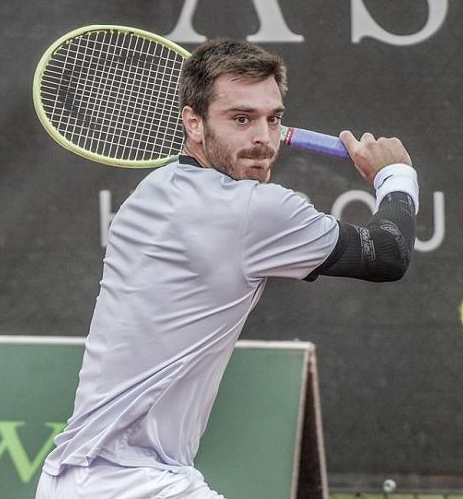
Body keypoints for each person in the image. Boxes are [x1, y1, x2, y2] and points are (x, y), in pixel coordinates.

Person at [35, 38, 419, 499]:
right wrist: (395, 176)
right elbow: (388, 253)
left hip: (81, 479)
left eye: (272, 119)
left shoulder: (155, 189)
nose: (262, 138)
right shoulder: (251, 212)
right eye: (241, 119)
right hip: (129, 482)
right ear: (192, 123)